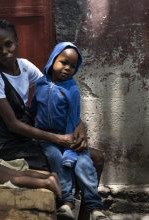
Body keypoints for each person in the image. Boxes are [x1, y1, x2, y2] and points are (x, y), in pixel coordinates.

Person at [0, 19, 106, 220]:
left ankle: (86, 213)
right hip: (13, 143)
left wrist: (79, 125)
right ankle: (65, 204)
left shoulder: (25, 67)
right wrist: (58, 139)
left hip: (33, 136)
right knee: (62, 163)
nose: (4, 51)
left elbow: (53, 93)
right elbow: (13, 125)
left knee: (96, 157)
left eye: (8, 44)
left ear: (17, 40)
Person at [32, 42, 108, 220]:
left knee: (83, 163)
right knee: (55, 157)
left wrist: (70, 150)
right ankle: (67, 202)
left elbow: (73, 118)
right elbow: (34, 108)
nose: (67, 68)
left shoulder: (72, 89)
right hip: (47, 137)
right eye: (63, 62)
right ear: (53, 60)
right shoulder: (41, 84)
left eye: (72, 66)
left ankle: (94, 207)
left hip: (69, 136)